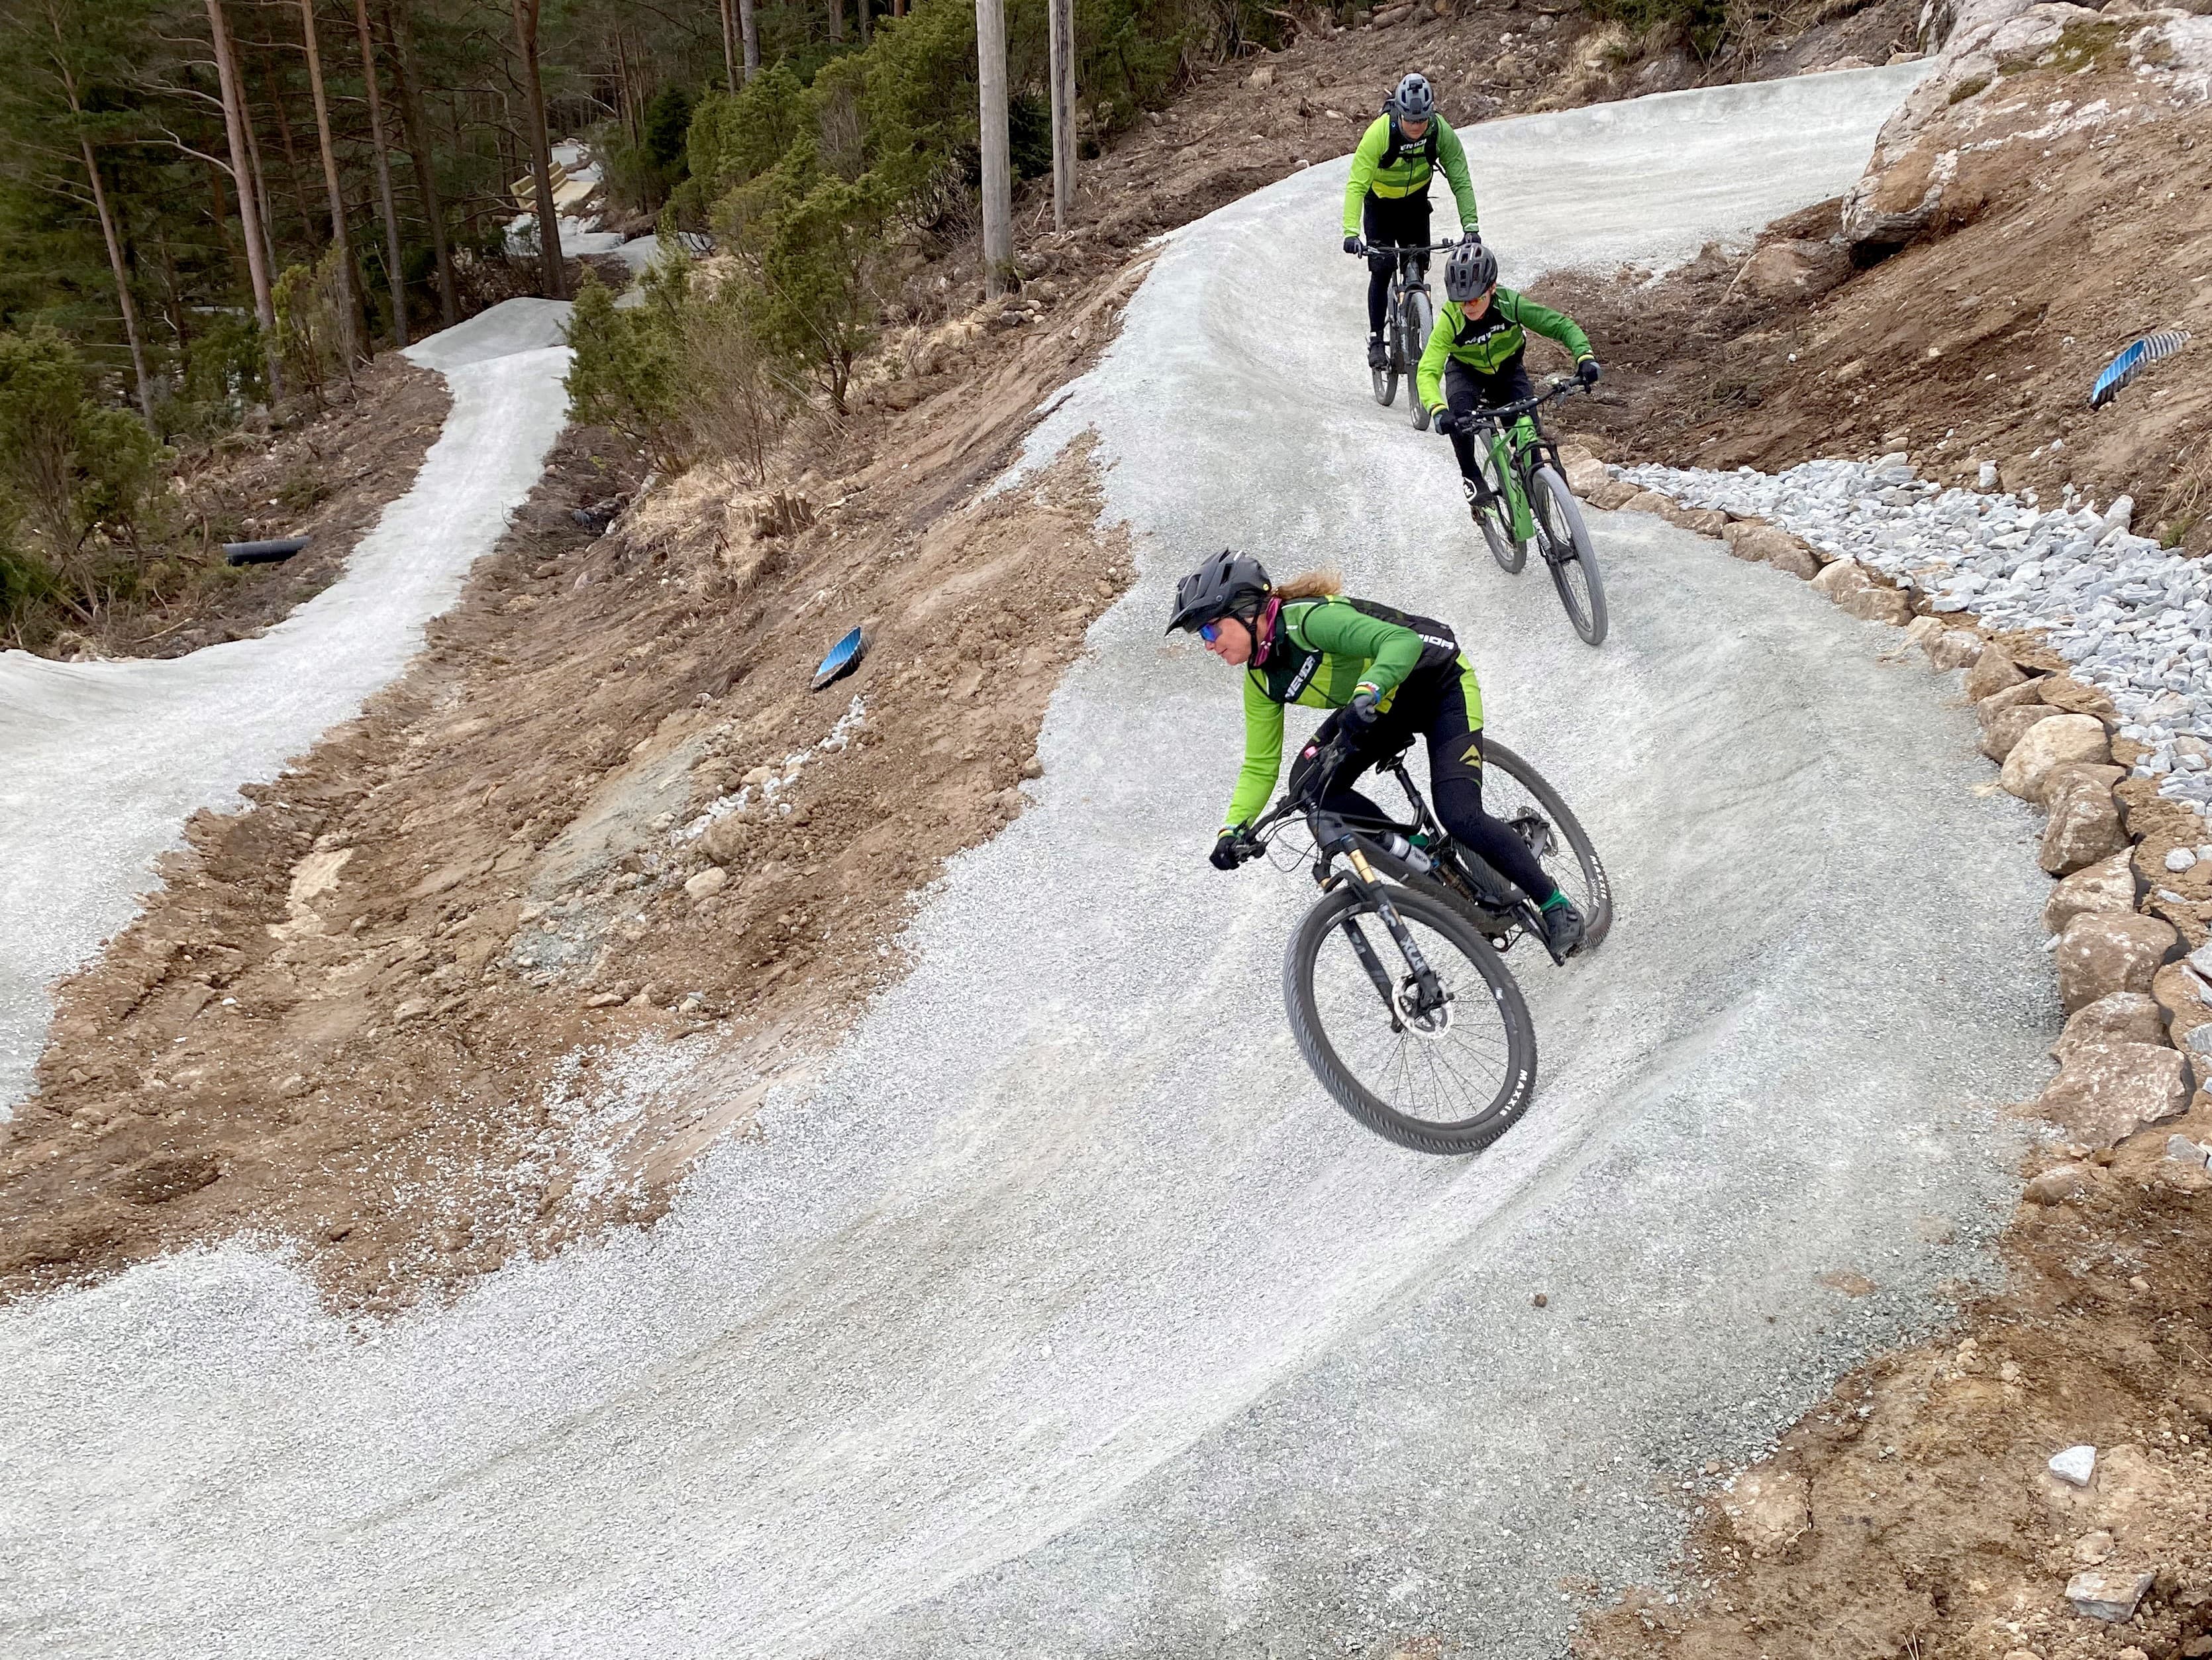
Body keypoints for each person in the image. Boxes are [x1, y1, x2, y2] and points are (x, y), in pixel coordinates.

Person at [1166, 552, 1587, 956]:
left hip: (1438, 684)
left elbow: (1400, 642)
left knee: (1459, 814)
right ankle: (1417, 848)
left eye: (1209, 630)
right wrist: (1233, 830)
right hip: (1380, 707)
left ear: (1246, 611)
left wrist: (1369, 689)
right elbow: (1260, 765)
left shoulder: (1311, 621)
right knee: (1309, 788)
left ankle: (1554, 904)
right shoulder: (1261, 681)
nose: (1208, 644)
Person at [1419, 241, 1602, 535]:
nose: (1468, 307)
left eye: (1475, 299)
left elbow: (1561, 326)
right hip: (1466, 374)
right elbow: (1427, 370)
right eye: (1461, 300)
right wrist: (1437, 410)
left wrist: (1584, 357)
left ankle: (1539, 494)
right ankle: (1471, 478)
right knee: (1460, 420)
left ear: (1492, 288)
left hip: (1508, 372)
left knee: (1528, 437)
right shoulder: (1450, 320)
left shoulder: (1510, 303)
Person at [1340, 72, 1482, 374]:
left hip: (1415, 205)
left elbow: (1460, 178)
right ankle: (1377, 339)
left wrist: (1471, 227)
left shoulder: (1439, 132)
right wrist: (1351, 232)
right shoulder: (1380, 133)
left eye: (1422, 121)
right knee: (1382, 268)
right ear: (1400, 114)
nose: (1416, 127)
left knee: (1418, 263)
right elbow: (1356, 184)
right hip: (1380, 206)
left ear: (1430, 115)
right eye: (1410, 121)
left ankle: (1418, 322)